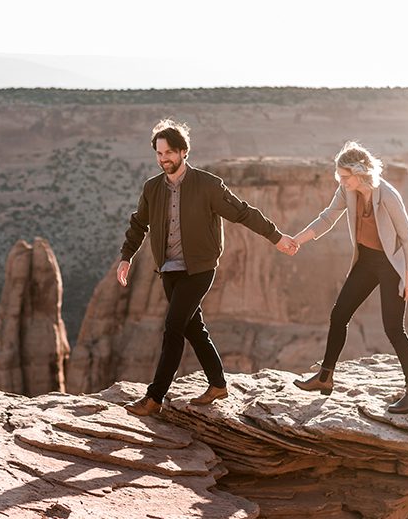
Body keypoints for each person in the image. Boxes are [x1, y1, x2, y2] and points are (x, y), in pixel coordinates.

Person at [118, 118, 299, 417]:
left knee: (173, 328)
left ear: (183, 151)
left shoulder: (208, 185)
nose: (164, 159)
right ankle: (218, 384)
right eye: (159, 154)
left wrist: (276, 237)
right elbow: (139, 224)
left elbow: (242, 213)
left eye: (169, 153)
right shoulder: (152, 188)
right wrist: (127, 257)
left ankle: (154, 397)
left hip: (199, 270)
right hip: (169, 270)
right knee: (194, 328)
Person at [290, 141, 408, 414]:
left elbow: (407, 236)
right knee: (339, 315)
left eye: (344, 176)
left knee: (393, 328)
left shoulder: (387, 194)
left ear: (360, 172)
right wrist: (298, 240)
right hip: (365, 261)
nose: (340, 181)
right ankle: (325, 377)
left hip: (390, 265)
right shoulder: (347, 191)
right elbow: (327, 218)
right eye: (339, 176)